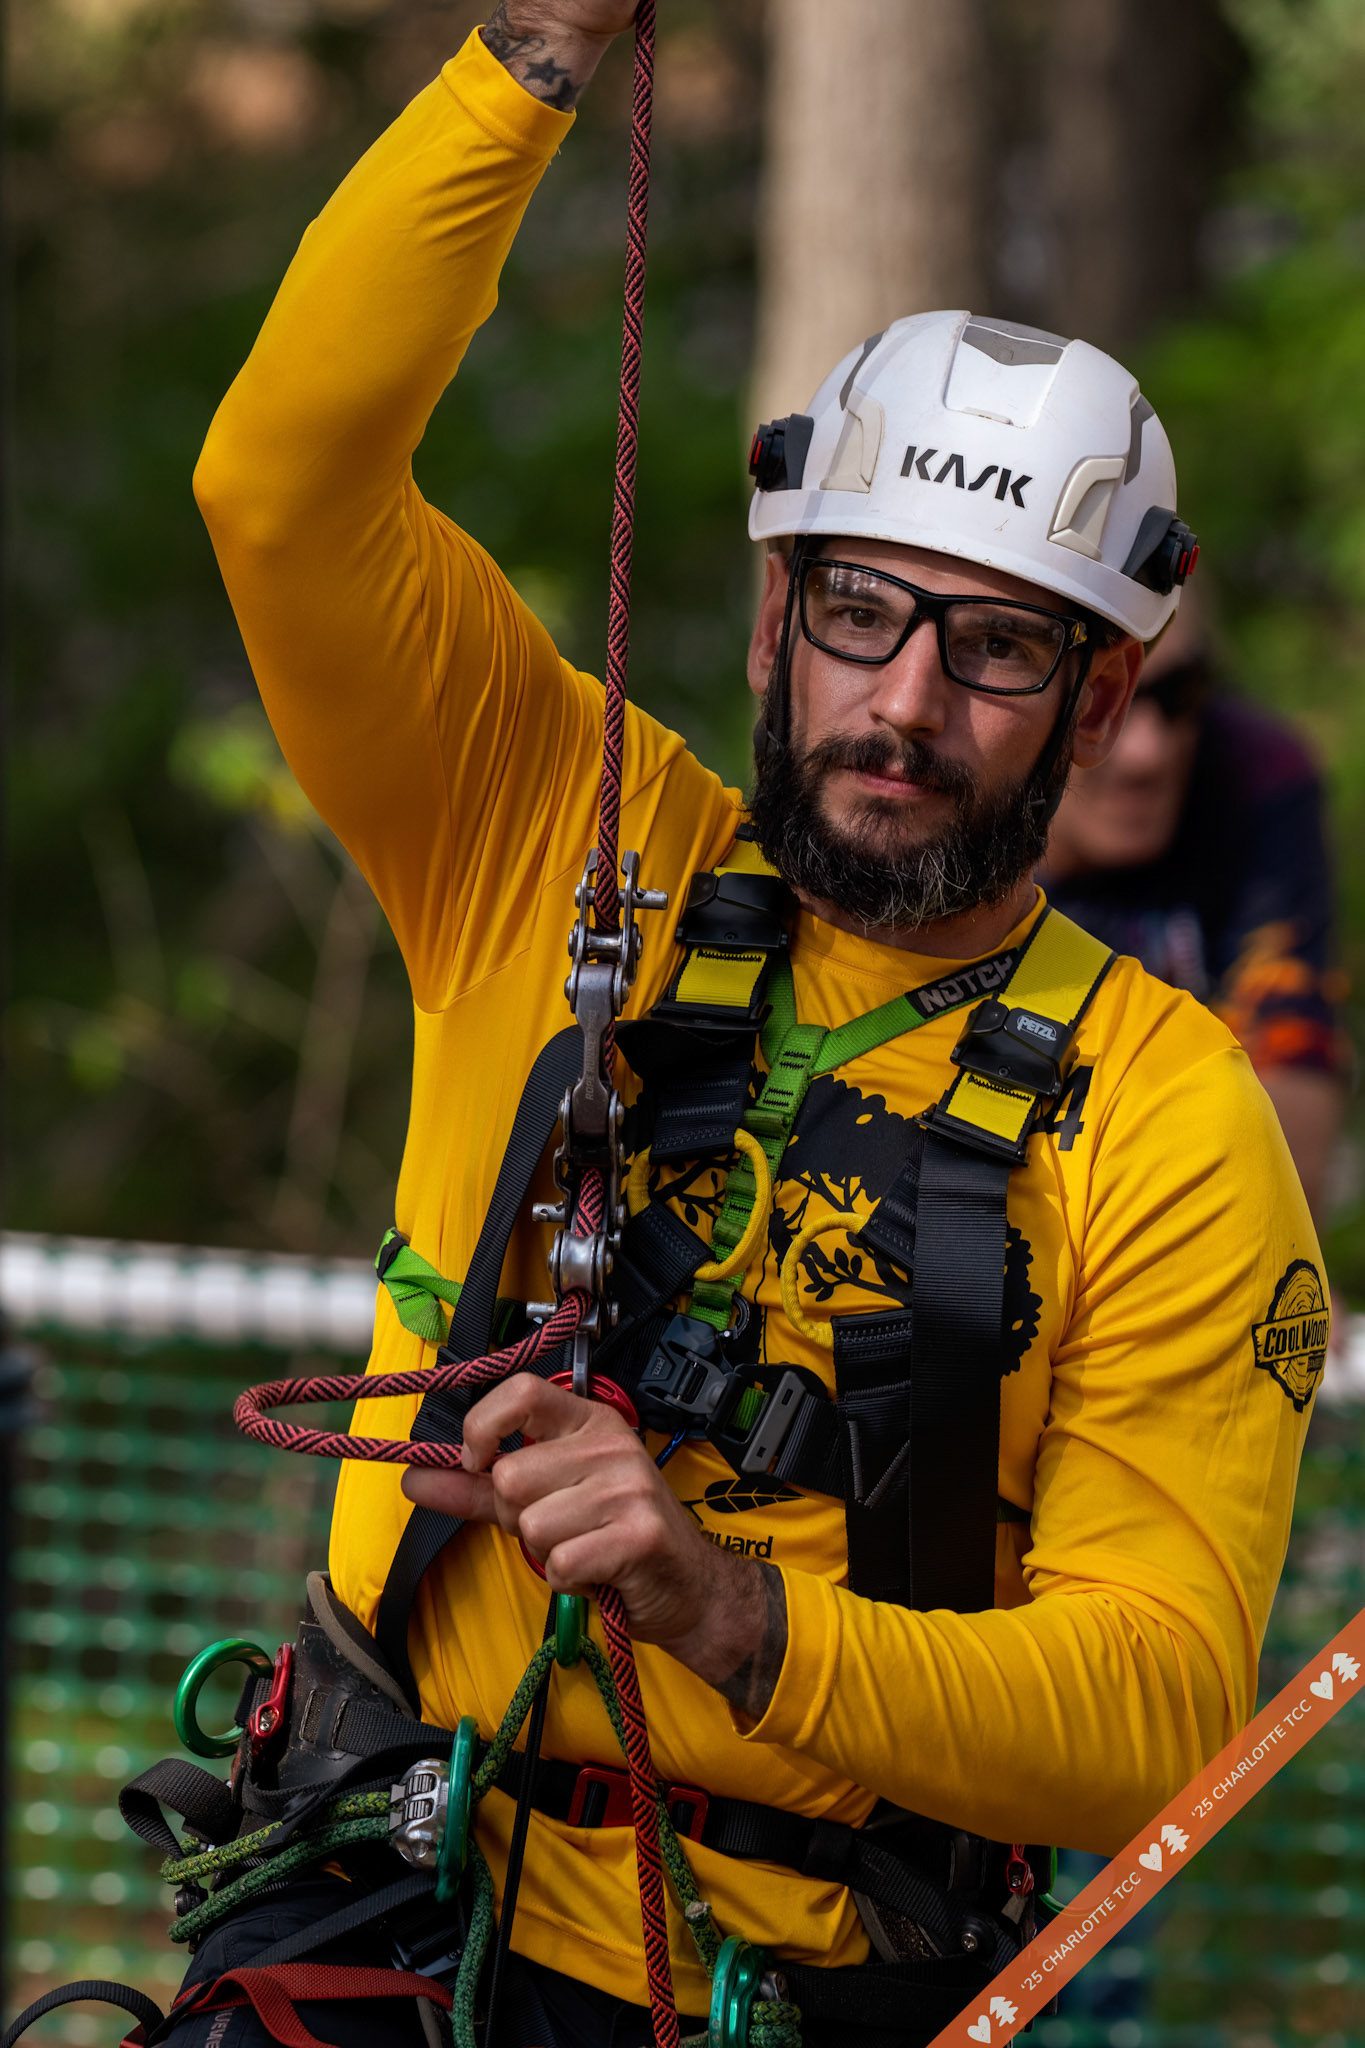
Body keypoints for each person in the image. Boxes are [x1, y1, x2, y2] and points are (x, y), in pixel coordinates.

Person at [165, 3, 1324, 2043]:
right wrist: (525, 54)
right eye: (858, 612)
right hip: (376, 1917)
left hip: (778, 1990)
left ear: (1102, 702)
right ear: (777, 614)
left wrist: (731, 1610)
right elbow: (282, 481)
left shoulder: (1160, 1114)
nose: (900, 704)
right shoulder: (554, 832)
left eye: (990, 649)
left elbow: (1150, 1708)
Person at [1042, 594, 1347, 1218]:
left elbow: (1291, 1149)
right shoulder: (939, 811)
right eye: (1100, 697)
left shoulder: (1257, 772)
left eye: (1180, 692)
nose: (1146, 754)